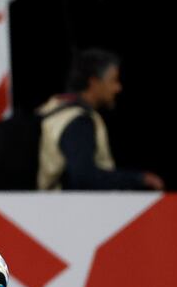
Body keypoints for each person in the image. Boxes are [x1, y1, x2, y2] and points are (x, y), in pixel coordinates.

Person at [37, 48, 164, 191]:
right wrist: (139, 179)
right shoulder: (77, 121)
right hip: (64, 209)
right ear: (94, 82)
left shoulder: (51, 109)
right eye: (113, 80)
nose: (118, 88)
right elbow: (84, 178)